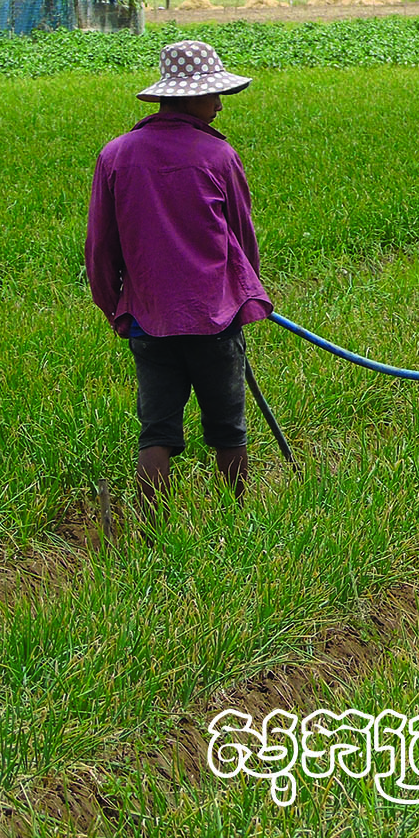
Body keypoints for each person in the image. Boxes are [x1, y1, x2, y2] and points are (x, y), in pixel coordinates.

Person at [85, 40, 272, 514]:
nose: (219, 104)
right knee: (228, 429)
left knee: (158, 432)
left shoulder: (116, 155)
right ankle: (238, 518)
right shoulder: (218, 157)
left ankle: (153, 531)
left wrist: (115, 306)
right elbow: (243, 238)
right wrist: (244, 296)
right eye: (213, 94)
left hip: (149, 319)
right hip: (215, 317)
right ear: (189, 97)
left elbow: (100, 247)